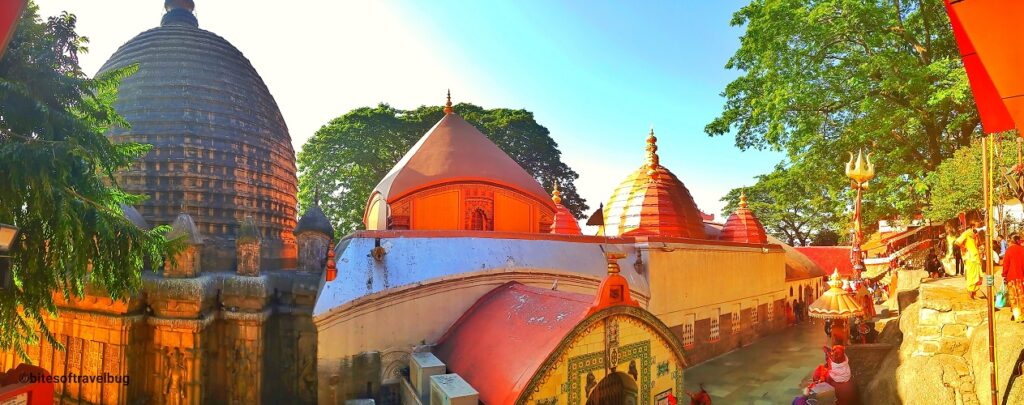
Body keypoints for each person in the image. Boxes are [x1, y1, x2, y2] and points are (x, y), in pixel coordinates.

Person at [956, 220, 984, 299]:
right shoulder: (967, 233)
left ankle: (974, 294)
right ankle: (971, 293)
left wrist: (977, 236)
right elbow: (957, 242)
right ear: (973, 226)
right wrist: (964, 248)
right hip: (970, 257)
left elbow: (979, 244)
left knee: (978, 275)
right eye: (978, 226)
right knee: (972, 275)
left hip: (976, 257)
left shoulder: (975, 234)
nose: (979, 228)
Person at [1002, 233, 1024, 322]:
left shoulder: (1009, 250)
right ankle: (1022, 315)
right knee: (1022, 296)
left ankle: (1017, 316)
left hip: (1011, 277)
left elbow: (1006, 264)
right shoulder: (1022, 249)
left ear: (1011, 241)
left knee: (1013, 297)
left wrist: (1004, 274)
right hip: (1021, 277)